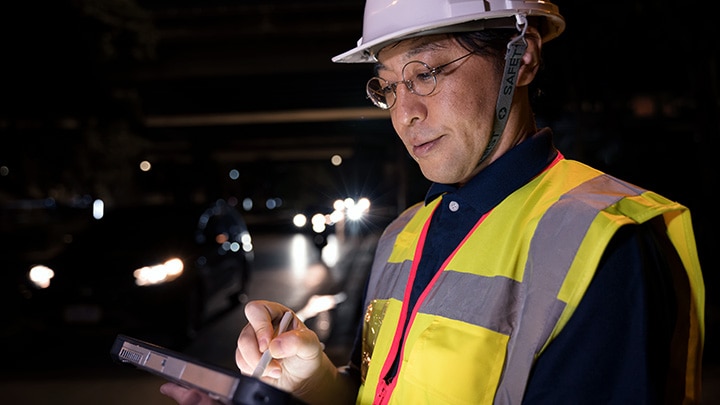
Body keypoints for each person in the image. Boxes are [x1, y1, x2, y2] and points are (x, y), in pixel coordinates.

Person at [161, 0, 705, 403]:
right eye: (388, 88)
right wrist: (312, 384)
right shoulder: (403, 234)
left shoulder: (603, 242)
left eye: (425, 73)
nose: (405, 114)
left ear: (524, 57)